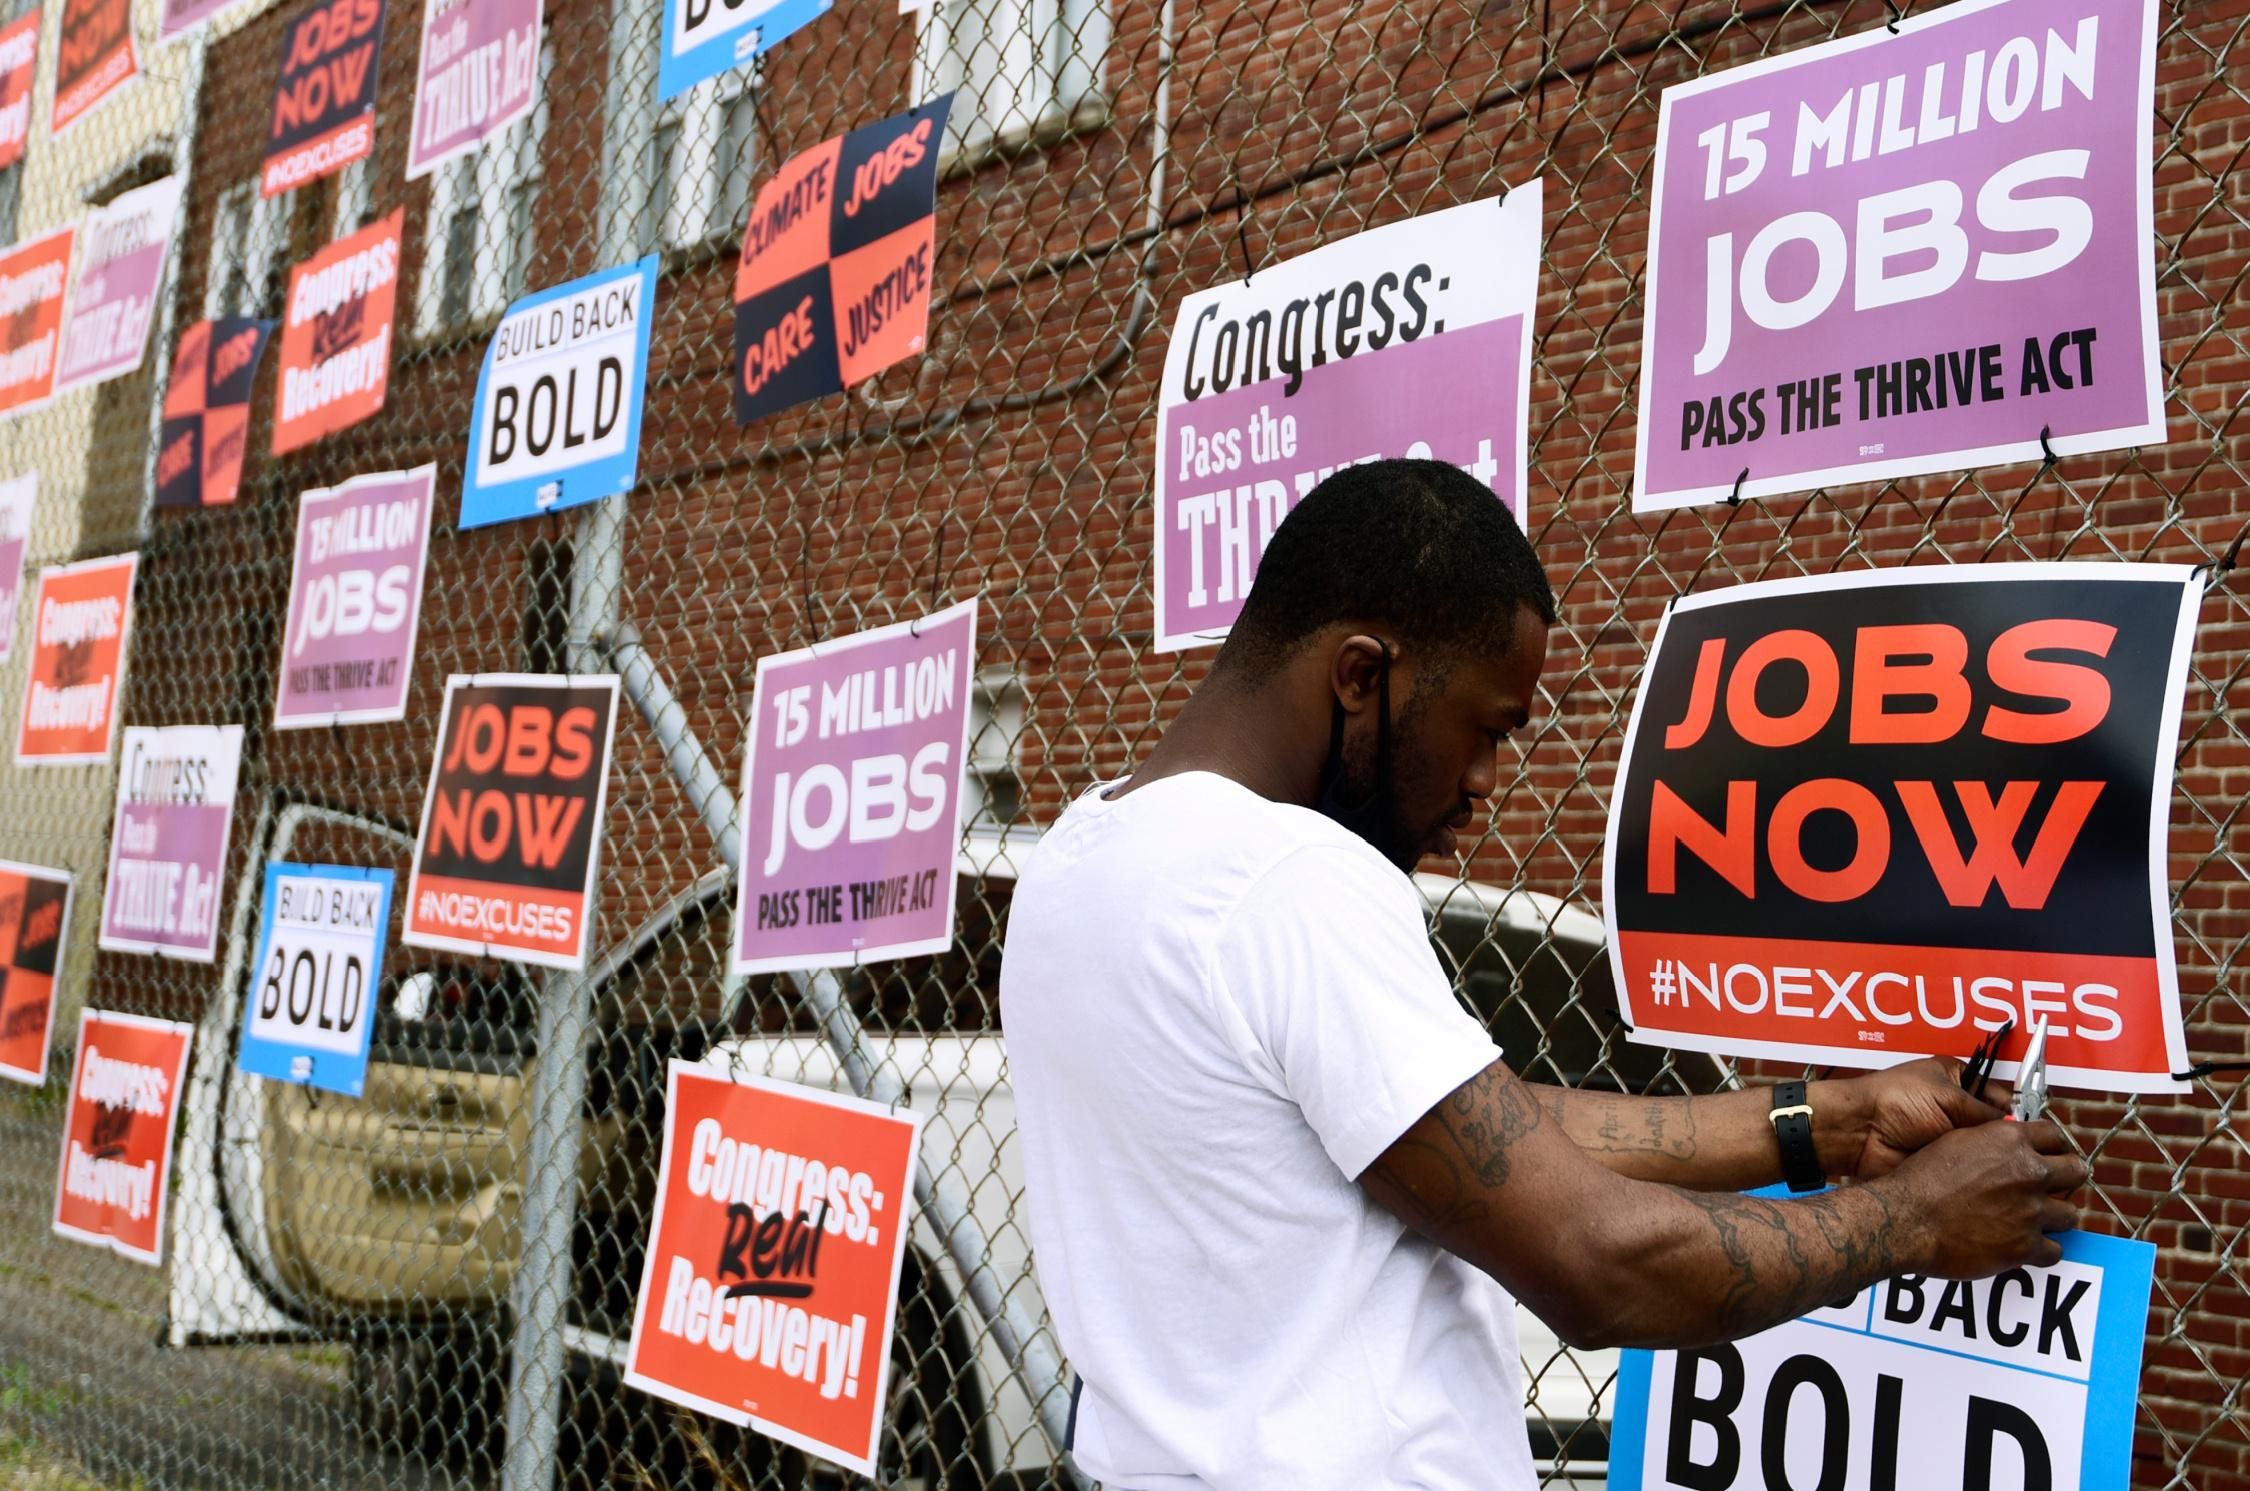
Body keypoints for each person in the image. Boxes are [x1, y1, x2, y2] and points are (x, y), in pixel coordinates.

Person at [999, 459, 2086, 1490]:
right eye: (1485, 730)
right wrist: (1912, 1220)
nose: (1482, 786)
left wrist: (1826, 1121)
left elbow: (1465, 1132)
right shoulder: (1292, 880)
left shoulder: (1081, 856)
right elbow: (1595, 1261)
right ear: (1360, 677)